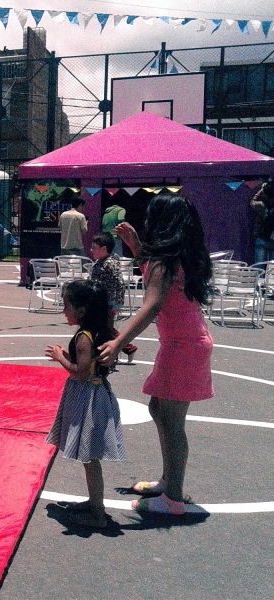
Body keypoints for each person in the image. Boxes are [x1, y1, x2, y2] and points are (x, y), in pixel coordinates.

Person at [98, 193, 213, 516]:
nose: (147, 221)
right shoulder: (172, 256)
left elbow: (152, 305)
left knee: (172, 422)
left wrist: (118, 341)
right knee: (159, 409)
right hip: (182, 343)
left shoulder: (166, 261)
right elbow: (153, 276)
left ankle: (173, 499)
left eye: (152, 217)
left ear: (163, 222)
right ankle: (169, 481)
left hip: (184, 346)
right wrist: (136, 246)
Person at [45, 279, 125, 528]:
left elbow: (80, 372)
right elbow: (89, 364)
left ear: (81, 311)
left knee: (90, 457)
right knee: (89, 457)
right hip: (97, 392)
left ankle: (98, 514)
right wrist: (70, 356)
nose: (63, 310)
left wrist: (61, 358)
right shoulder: (97, 332)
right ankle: (94, 502)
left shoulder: (83, 337)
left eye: (66, 305)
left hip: (88, 397)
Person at [90, 232, 137, 362]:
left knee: (106, 328)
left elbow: (120, 283)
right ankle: (126, 348)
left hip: (108, 302)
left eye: (94, 247)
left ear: (104, 249)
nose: (91, 250)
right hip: (99, 301)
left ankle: (125, 349)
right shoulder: (100, 262)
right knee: (104, 328)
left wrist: (118, 304)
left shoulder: (110, 263)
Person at [250, 180, 274, 264]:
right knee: (272, 271)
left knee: (259, 268)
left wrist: (261, 190)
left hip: (262, 238)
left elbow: (252, 202)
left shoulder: (262, 205)